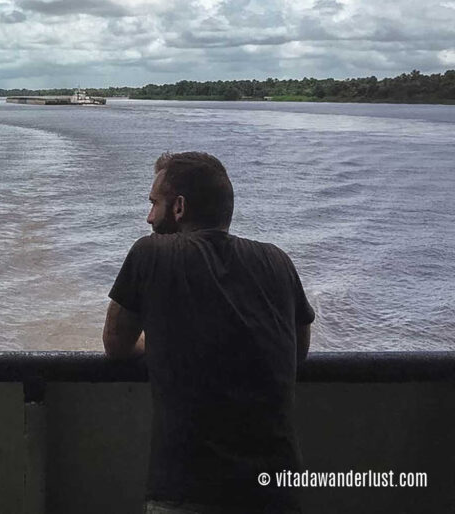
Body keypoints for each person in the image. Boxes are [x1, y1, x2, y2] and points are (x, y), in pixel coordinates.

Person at [103, 152, 315, 514]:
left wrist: (165, 346)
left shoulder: (150, 252)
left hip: (187, 491)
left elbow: (116, 344)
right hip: (279, 492)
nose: (149, 216)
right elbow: (298, 351)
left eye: (155, 203)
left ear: (179, 207)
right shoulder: (278, 261)